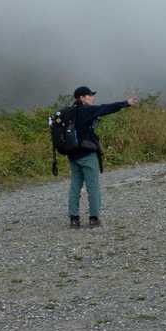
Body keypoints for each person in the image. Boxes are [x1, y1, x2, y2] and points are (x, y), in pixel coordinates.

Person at [64, 86, 138, 228]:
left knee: (75, 187)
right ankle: (94, 218)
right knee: (93, 187)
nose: (92, 97)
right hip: (87, 154)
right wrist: (126, 103)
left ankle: (74, 219)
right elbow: (106, 108)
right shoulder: (87, 110)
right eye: (90, 95)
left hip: (72, 155)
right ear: (82, 98)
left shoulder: (68, 112)